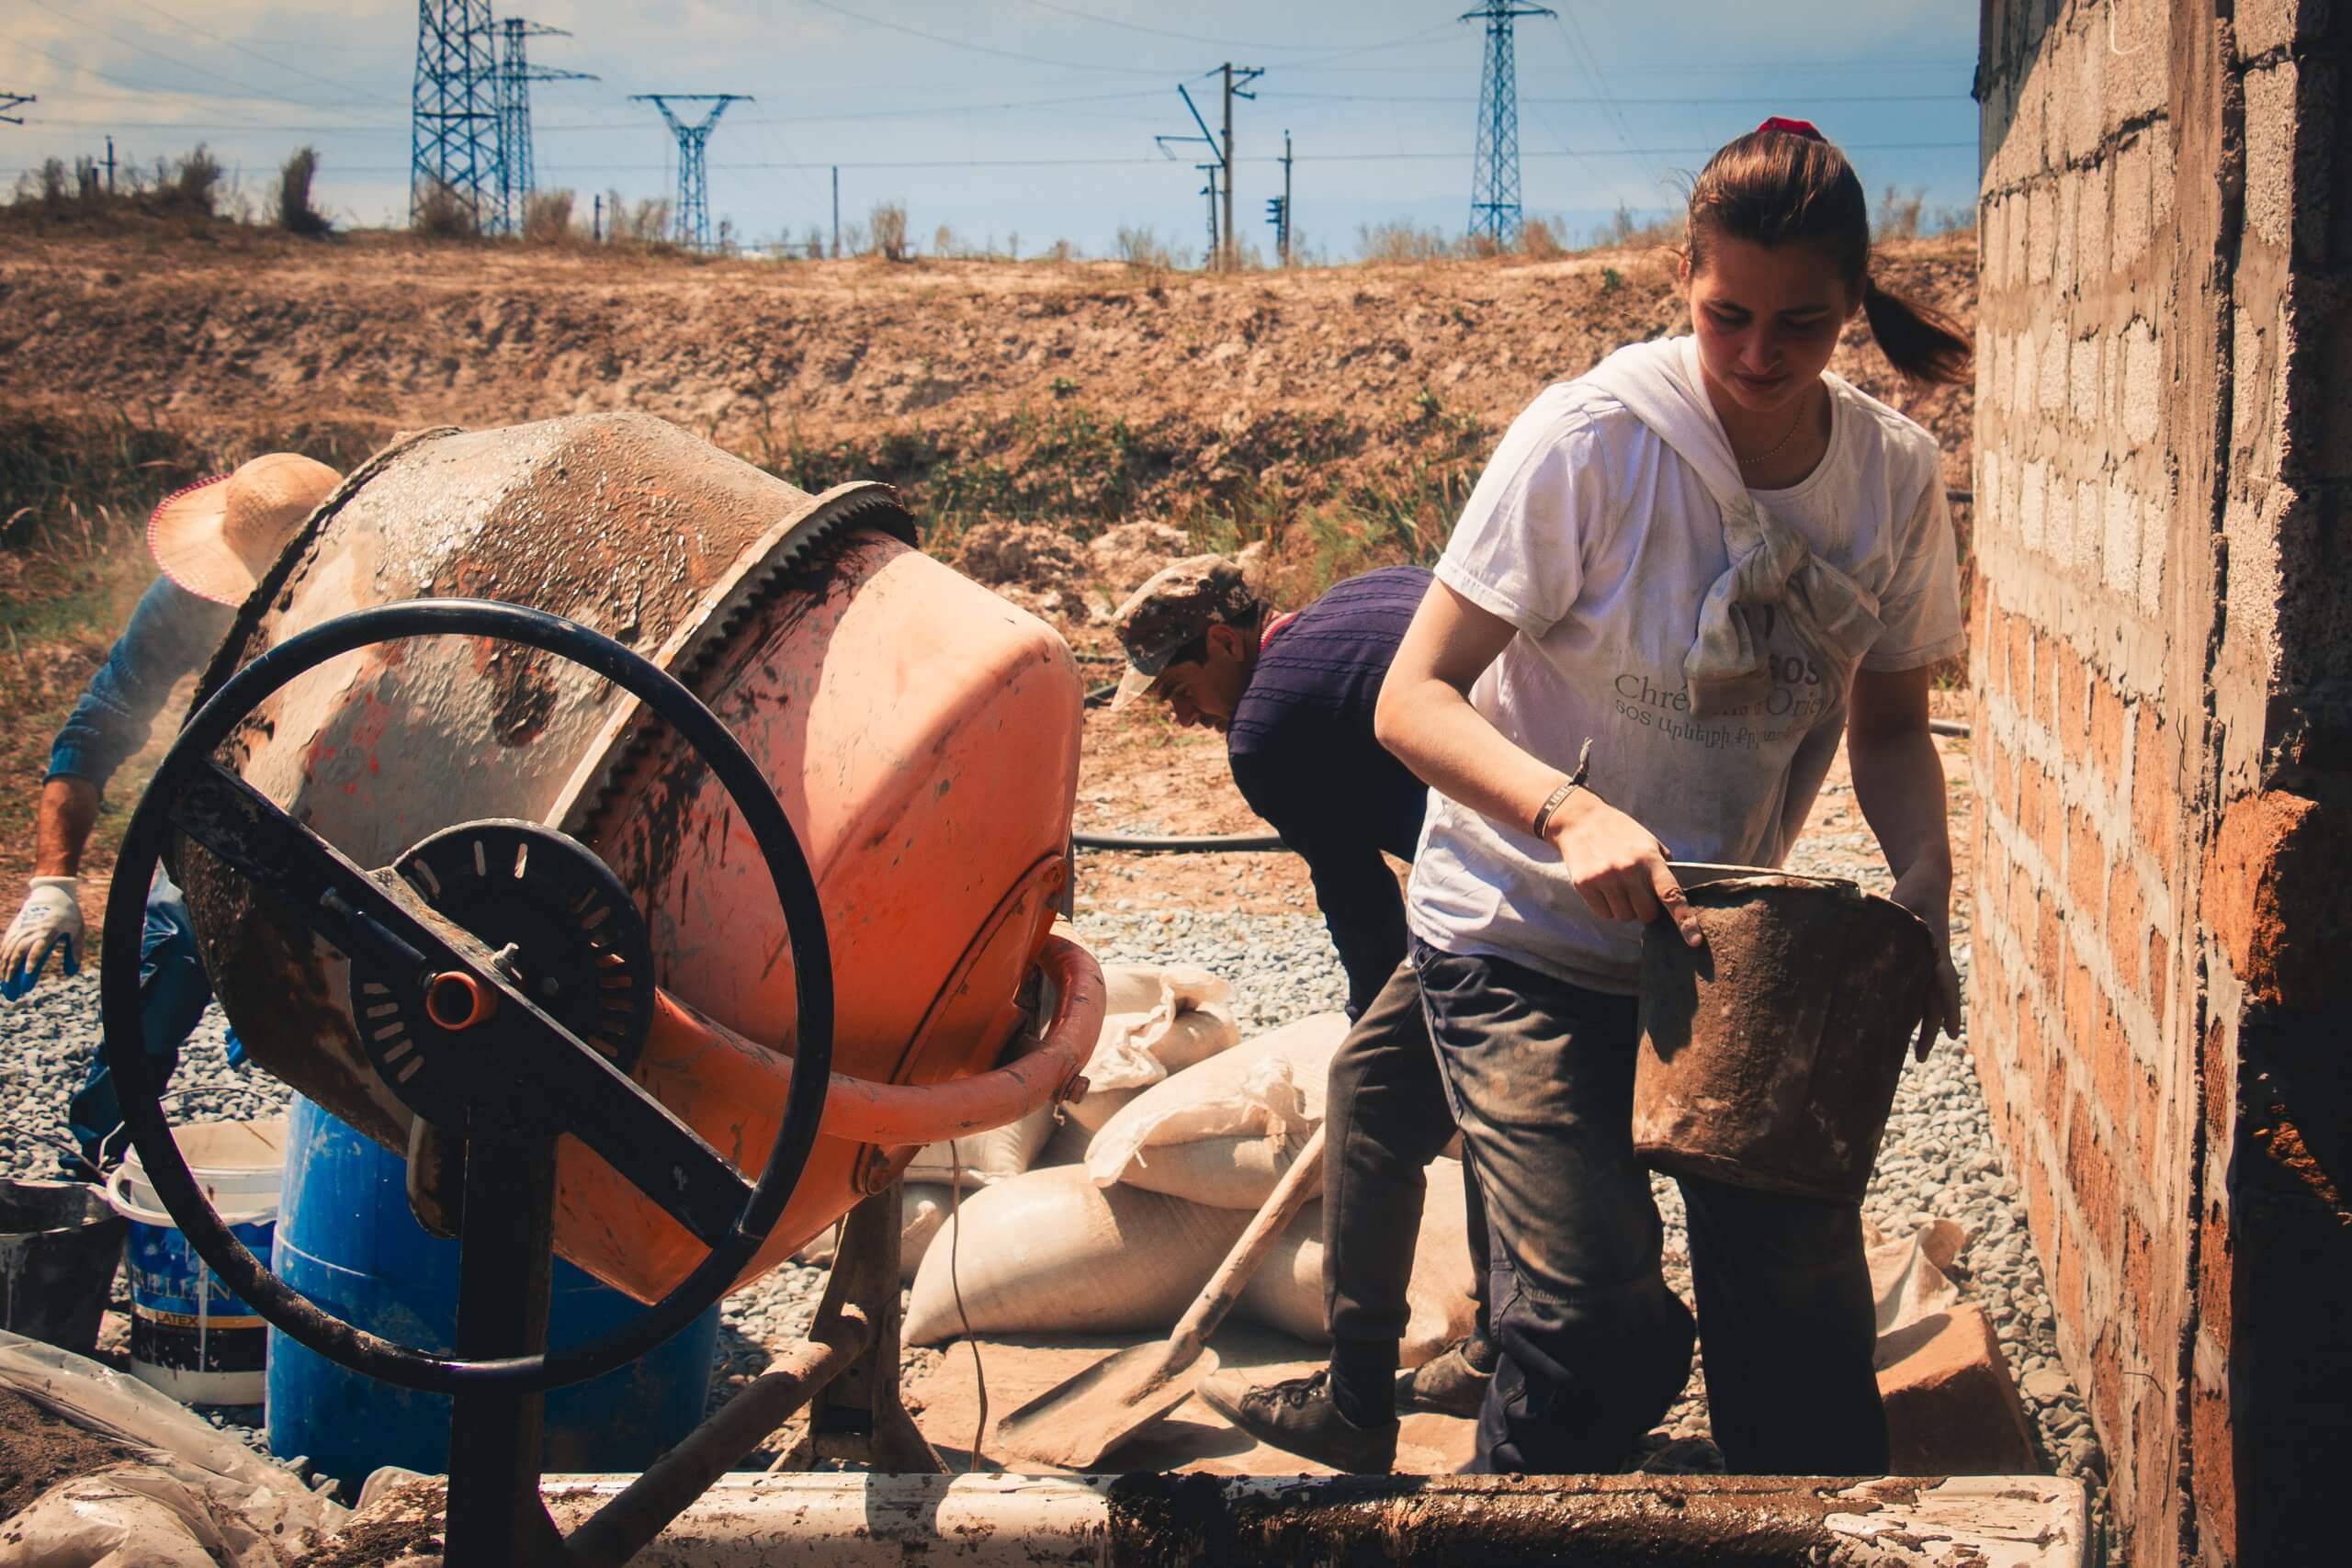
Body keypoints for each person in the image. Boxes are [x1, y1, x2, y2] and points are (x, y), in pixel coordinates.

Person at [1371, 118, 1971, 1474]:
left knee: (1802, 1321)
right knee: (1588, 1334)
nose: (1760, 356)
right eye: (1727, 316)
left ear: (1856, 299)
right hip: (1519, 932)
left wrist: (1923, 883)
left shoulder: (1890, 479)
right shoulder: (1591, 443)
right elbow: (1410, 696)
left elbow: (1888, 727)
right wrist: (1567, 813)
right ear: (1682, 276)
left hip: (1725, 946)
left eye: (1804, 323)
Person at [1103, 556, 1498, 1470]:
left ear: (1223, 642)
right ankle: (1497, 1348)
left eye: (1178, 686)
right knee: (1489, 1101)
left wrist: (1379, 1042)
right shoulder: (1371, 588)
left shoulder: (1264, 734)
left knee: (1370, 1093)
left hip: (1507, 871)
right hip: (1575, 821)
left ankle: (1355, 1404)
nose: (1179, 714)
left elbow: (1363, 913)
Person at [1, 453, 342, 1172]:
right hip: (218, 818)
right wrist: (52, 885)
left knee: (344, 1032)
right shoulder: (187, 602)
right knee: (160, 973)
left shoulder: (376, 590)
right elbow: (96, 726)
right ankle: (101, 1160)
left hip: (345, 827)